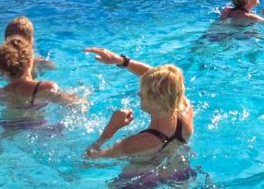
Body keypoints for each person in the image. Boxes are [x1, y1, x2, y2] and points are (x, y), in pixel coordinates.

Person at [83, 47, 196, 182]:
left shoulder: (140, 141)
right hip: (180, 173)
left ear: (156, 100)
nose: (139, 94)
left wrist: (109, 131)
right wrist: (121, 61)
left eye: (143, 93)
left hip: (140, 182)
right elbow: (163, 82)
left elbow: (91, 158)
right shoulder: (185, 110)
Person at [0, 37, 83, 129]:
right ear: (29, 61)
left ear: (0, 68)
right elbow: (77, 104)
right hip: (39, 130)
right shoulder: (45, 88)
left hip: (6, 130)